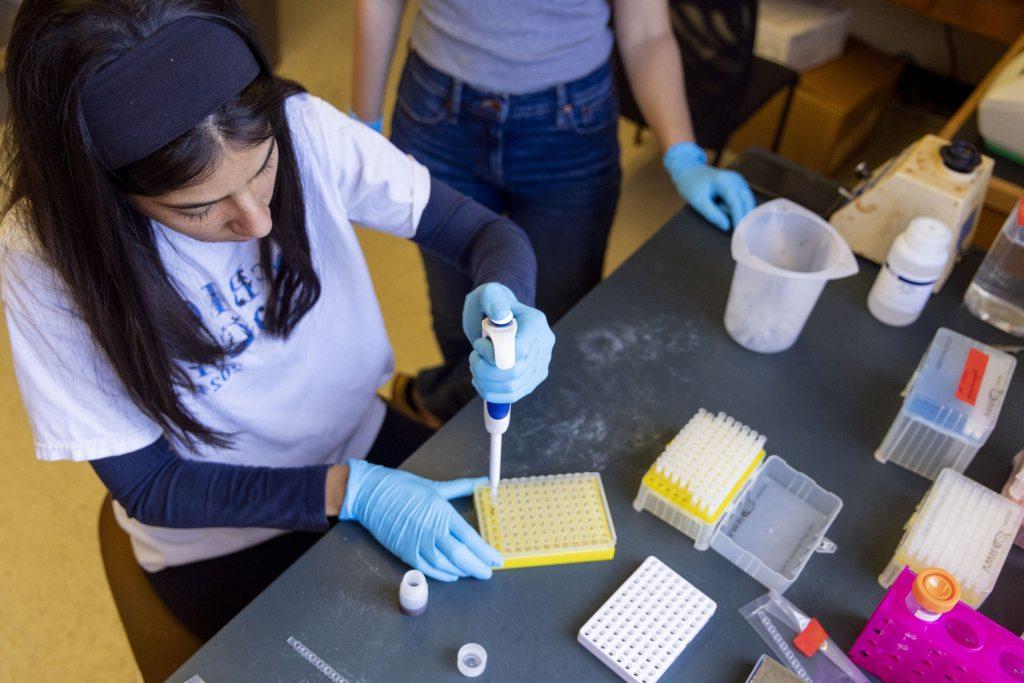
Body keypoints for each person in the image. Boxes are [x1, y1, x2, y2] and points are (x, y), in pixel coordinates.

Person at [1, 0, 554, 641]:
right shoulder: (46, 255)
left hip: (360, 440)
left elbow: (481, 232)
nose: (257, 223)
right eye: (199, 209)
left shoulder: (302, 126)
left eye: (264, 169)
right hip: (222, 532)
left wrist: (511, 300)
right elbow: (151, 486)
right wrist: (351, 493)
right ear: (108, 196)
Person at [352, 0, 757, 428]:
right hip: (438, 114)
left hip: (570, 126)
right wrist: (362, 126)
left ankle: (435, 402)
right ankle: (449, 410)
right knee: (460, 320)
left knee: (555, 325)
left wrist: (683, 154)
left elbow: (647, 33)